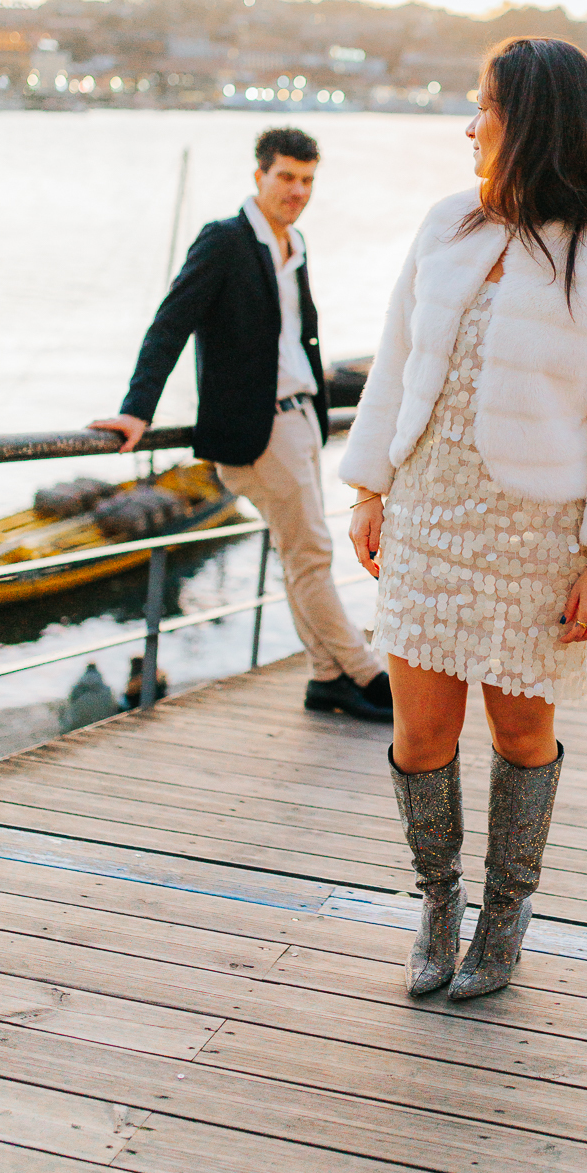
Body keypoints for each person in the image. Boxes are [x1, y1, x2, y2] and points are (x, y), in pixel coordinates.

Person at [341, 38, 587, 999]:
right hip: (430, 514)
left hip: (537, 533)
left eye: (483, 105)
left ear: (529, 120)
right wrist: (370, 490)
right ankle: (438, 906)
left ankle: (507, 911)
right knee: (419, 736)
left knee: (523, 730)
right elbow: (396, 364)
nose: (470, 123)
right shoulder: (447, 224)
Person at [90, 126, 392, 724]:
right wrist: (137, 408)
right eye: (286, 177)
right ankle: (366, 673)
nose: (297, 190)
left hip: (304, 418)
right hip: (259, 430)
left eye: (307, 180)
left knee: (300, 554)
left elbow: (298, 341)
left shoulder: (294, 243)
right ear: (259, 176)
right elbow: (171, 322)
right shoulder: (225, 240)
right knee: (310, 553)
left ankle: (327, 678)